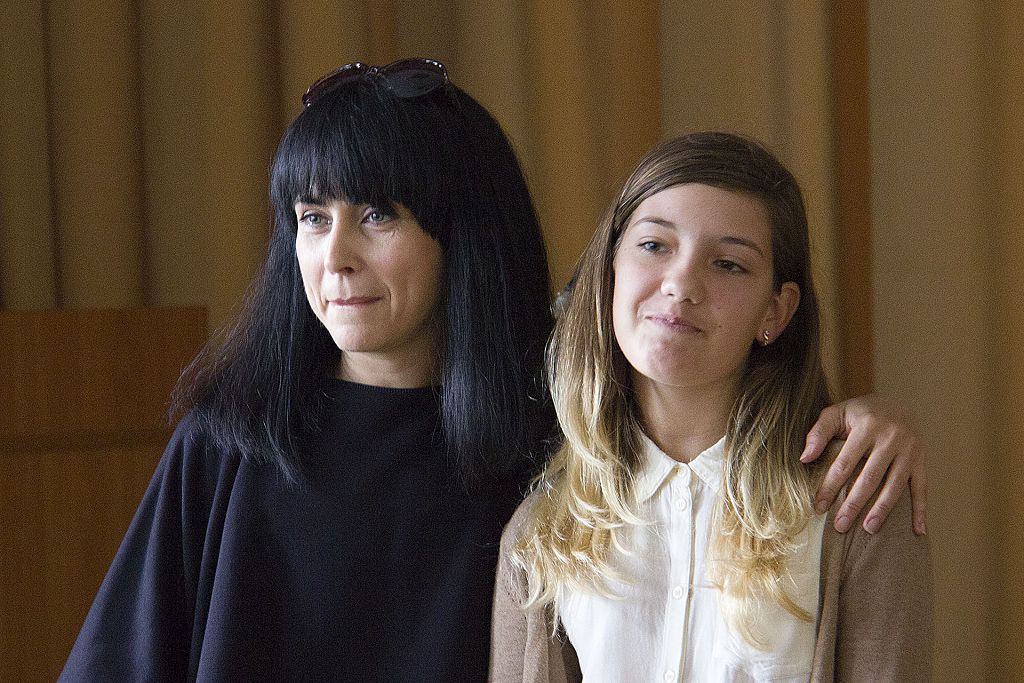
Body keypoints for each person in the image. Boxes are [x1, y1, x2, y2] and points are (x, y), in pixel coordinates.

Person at [61, 61, 923, 682]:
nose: (335, 257)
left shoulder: (557, 438)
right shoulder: (229, 444)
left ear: (462, 232)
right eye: (311, 217)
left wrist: (876, 419)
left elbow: (706, 406)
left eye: (378, 214)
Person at [490, 132, 932, 682]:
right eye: (654, 245)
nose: (681, 284)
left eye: (728, 264)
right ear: (610, 270)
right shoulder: (541, 532)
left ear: (776, 311)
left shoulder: (857, 502)